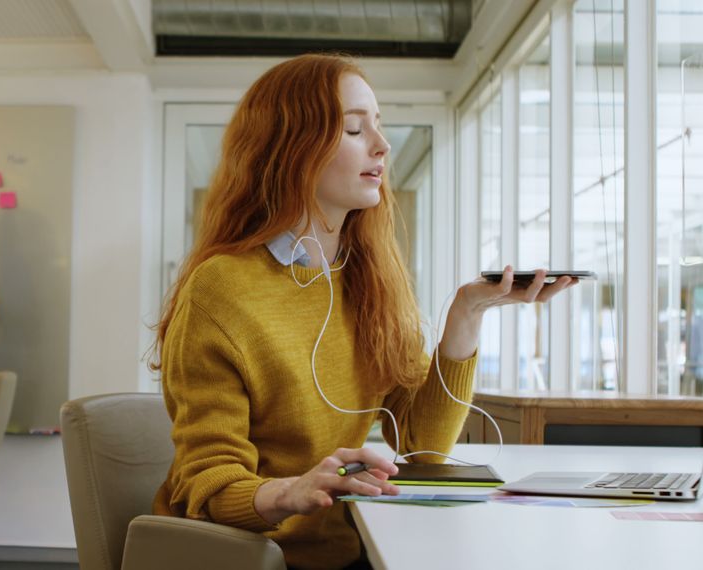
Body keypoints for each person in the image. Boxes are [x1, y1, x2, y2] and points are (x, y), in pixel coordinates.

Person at [150, 54, 576, 570]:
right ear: (290, 147)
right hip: (250, 557)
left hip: (350, 547)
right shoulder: (221, 289)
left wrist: (467, 313)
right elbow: (207, 483)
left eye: (378, 125)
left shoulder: (364, 276)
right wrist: (290, 492)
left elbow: (421, 449)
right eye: (354, 127)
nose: (381, 144)